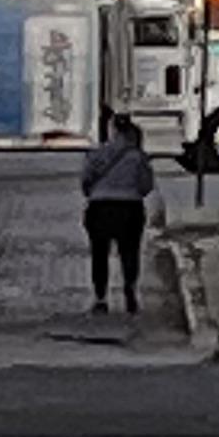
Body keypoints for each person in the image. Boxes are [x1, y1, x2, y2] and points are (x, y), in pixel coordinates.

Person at [81, 109, 152, 312]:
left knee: (99, 254)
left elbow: (85, 182)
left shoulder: (97, 154)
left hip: (100, 207)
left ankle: (100, 297)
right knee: (130, 252)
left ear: (111, 129)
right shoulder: (138, 157)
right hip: (129, 208)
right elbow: (146, 186)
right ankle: (130, 289)